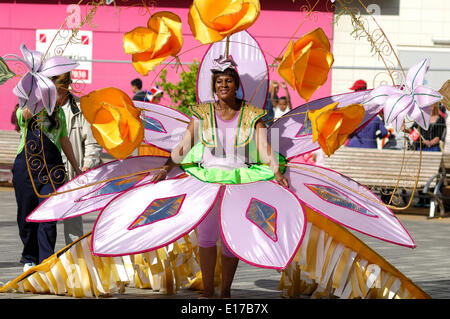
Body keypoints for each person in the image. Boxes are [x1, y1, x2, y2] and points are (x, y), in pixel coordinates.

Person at [150, 63, 288, 299]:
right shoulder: (202, 114)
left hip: (238, 180)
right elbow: (184, 146)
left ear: (236, 85)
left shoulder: (253, 115)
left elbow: (265, 150)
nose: (223, 85)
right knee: (206, 235)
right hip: (208, 180)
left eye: (228, 81)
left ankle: (225, 290)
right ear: (214, 86)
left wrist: (276, 171)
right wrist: (166, 167)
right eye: (219, 81)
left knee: (230, 236)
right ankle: (207, 290)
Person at [12, 73, 82, 272]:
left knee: (49, 217)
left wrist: (76, 167)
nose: (65, 95)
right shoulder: (30, 106)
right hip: (26, 167)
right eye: (62, 91)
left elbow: (64, 140)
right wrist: (38, 101)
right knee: (26, 215)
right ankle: (30, 257)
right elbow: (22, 116)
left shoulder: (59, 113)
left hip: (53, 169)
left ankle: (46, 261)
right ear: (53, 89)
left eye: (67, 91)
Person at [57, 72, 102, 245]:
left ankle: (74, 257)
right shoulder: (44, 107)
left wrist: (87, 165)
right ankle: (43, 261)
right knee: (46, 223)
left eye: (60, 88)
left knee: (73, 222)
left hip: (72, 172)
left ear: (67, 86)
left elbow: (93, 143)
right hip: (49, 172)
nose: (56, 93)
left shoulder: (81, 108)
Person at [347, 80, 388, 148]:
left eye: (355, 90)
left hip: (353, 146)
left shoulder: (353, 114)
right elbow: (384, 132)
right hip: (370, 148)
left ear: (360, 90)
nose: (354, 92)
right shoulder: (375, 118)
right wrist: (377, 136)